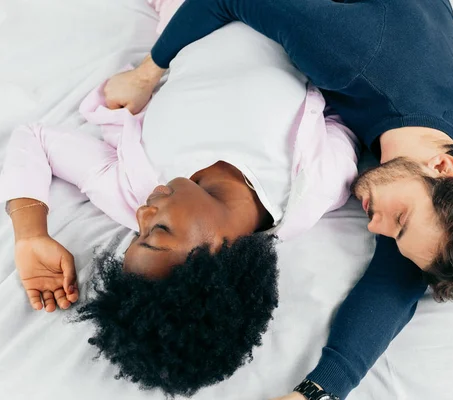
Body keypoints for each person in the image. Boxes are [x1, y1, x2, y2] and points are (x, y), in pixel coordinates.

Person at [100, 1, 453, 399]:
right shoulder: (353, 56)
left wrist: (318, 393)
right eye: (400, 221)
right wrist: (145, 74)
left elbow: (395, 287)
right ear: (443, 168)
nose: (376, 227)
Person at [0, 23, 359, 397]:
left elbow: (36, 139)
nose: (141, 216)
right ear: (220, 251)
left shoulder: (134, 190)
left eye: (136, 235)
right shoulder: (311, 188)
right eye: (156, 234)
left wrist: (30, 234)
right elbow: (343, 108)